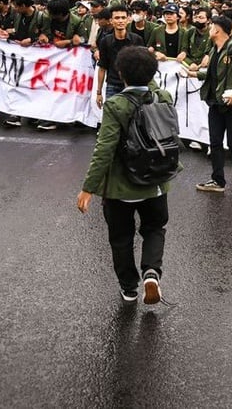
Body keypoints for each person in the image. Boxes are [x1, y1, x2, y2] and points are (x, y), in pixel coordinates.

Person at [76, 46, 179, 304]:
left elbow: (105, 148)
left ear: (120, 74)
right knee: (155, 228)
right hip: (156, 181)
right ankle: (152, 272)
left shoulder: (116, 104)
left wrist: (89, 187)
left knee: (121, 238)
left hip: (120, 188)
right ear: (153, 73)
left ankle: (129, 288)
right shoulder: (163, 96)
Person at [192, 15, 232, 193]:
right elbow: (212, 74)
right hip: (216, 103)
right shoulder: (214, 50)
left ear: (217, 30)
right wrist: (193, 74)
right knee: (215, 142)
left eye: (212, 26)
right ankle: (218, 180)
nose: (209, 28)